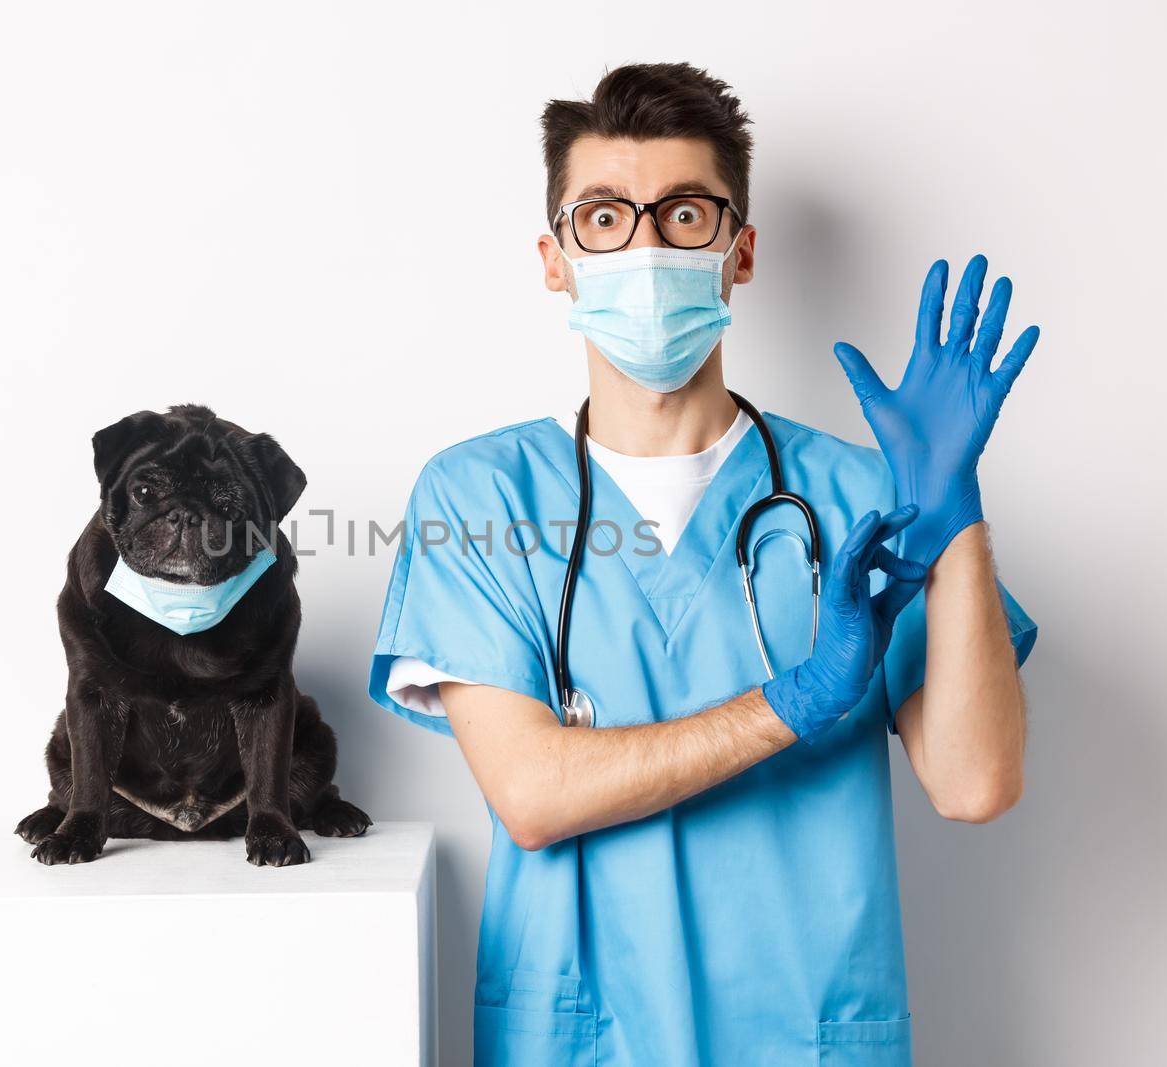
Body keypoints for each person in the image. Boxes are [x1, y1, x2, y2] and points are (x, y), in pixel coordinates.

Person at [367, 63, 1040, 1066]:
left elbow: (975, 781)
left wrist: (954, 527)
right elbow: (535, 793)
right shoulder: (481, 497)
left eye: (683, 215)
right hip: (579, 1039)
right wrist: (792, 701)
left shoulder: (861, 491)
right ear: (555, 258)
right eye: (602, 218)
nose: (643, 246)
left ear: (740, 251)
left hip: (804, 1029)